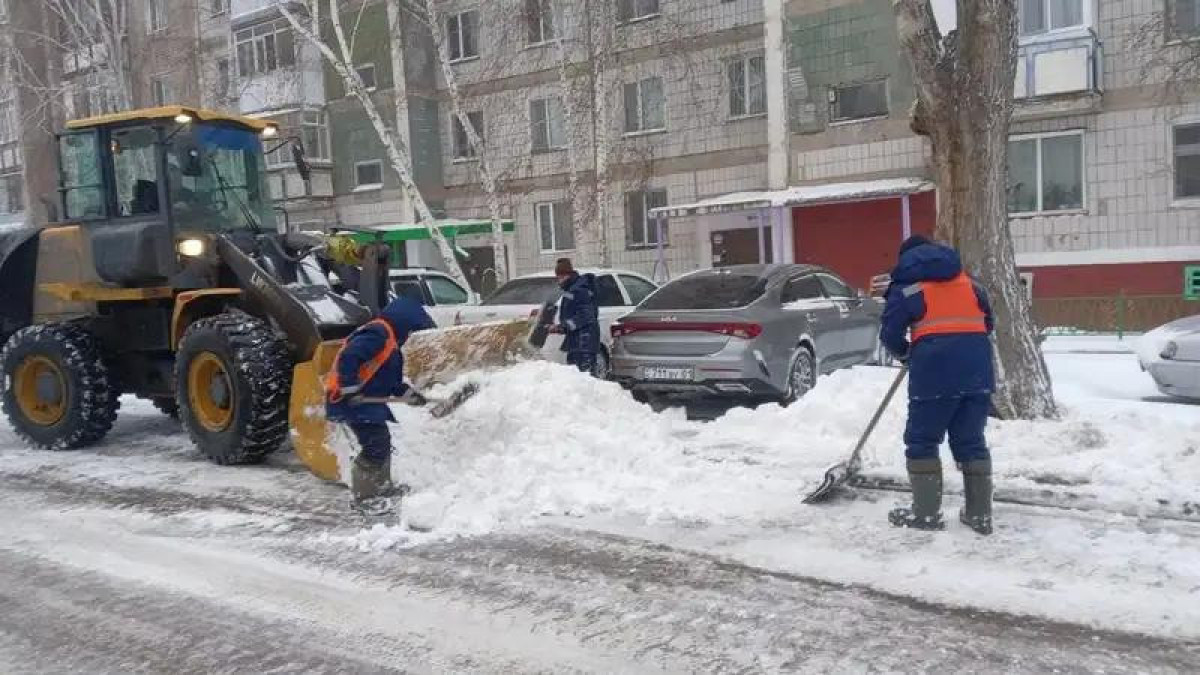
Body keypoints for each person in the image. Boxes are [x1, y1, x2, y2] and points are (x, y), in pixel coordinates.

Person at [879, 235, 995, 535]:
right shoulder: (971, 285)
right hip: (978, 373)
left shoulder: (908, 289)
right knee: (971, 441)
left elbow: (890, 334)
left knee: (922, 441)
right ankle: (980, 515)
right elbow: (988, 324)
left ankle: (926, 515)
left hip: (933, 375)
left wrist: (907, 353)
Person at [325, 295, 436, 507]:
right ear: (404, 322)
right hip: (351, 401)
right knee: (375, 446)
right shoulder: (378, 333)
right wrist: (349, 388)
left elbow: (390, 381)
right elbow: (350, 357)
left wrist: (408, 394)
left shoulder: (390, 342)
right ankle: (365, 497)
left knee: (381, 442)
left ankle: (382, 487)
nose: (411, 336)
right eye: (412, 330)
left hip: (367, 402)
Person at [551, 258, 600, 374]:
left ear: (568, 275)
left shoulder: (580, 290)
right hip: (576, 341)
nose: (559, 281)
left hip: (584, 343)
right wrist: (560, 327)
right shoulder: (571, 289)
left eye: (561, 277)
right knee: (576, 379)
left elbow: (585, 315)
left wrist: (563, 327)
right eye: (558, 278)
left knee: (585, 379)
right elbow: (572, 313)